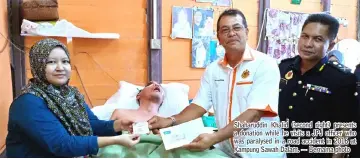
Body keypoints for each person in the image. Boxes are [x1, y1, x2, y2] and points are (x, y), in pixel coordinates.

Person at [148, 9, 286, 158]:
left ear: (246, 32)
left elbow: (254, 114)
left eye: (237, 28)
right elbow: (198, 106)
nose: (231, 33)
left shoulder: (265, 64)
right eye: (225, 30)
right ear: (218, 38)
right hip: (226, 153)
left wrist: (213, 138)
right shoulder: (213, 70)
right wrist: (170, 121)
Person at [6, 38, 140, 157]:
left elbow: (90, 124)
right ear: (38, 65)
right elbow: (61, 145)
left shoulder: (72, 95)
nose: (60, 68)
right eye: (51, 62)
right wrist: (115, 140)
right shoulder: (29, 102)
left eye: (65, 61)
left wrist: (118, 125)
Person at [278, 14, 359, 158]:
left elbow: (345, 127)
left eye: (318, 39)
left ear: (331, 45)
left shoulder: (342, 79)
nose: (308, 44)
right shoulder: (283, 69)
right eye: (304, 36)